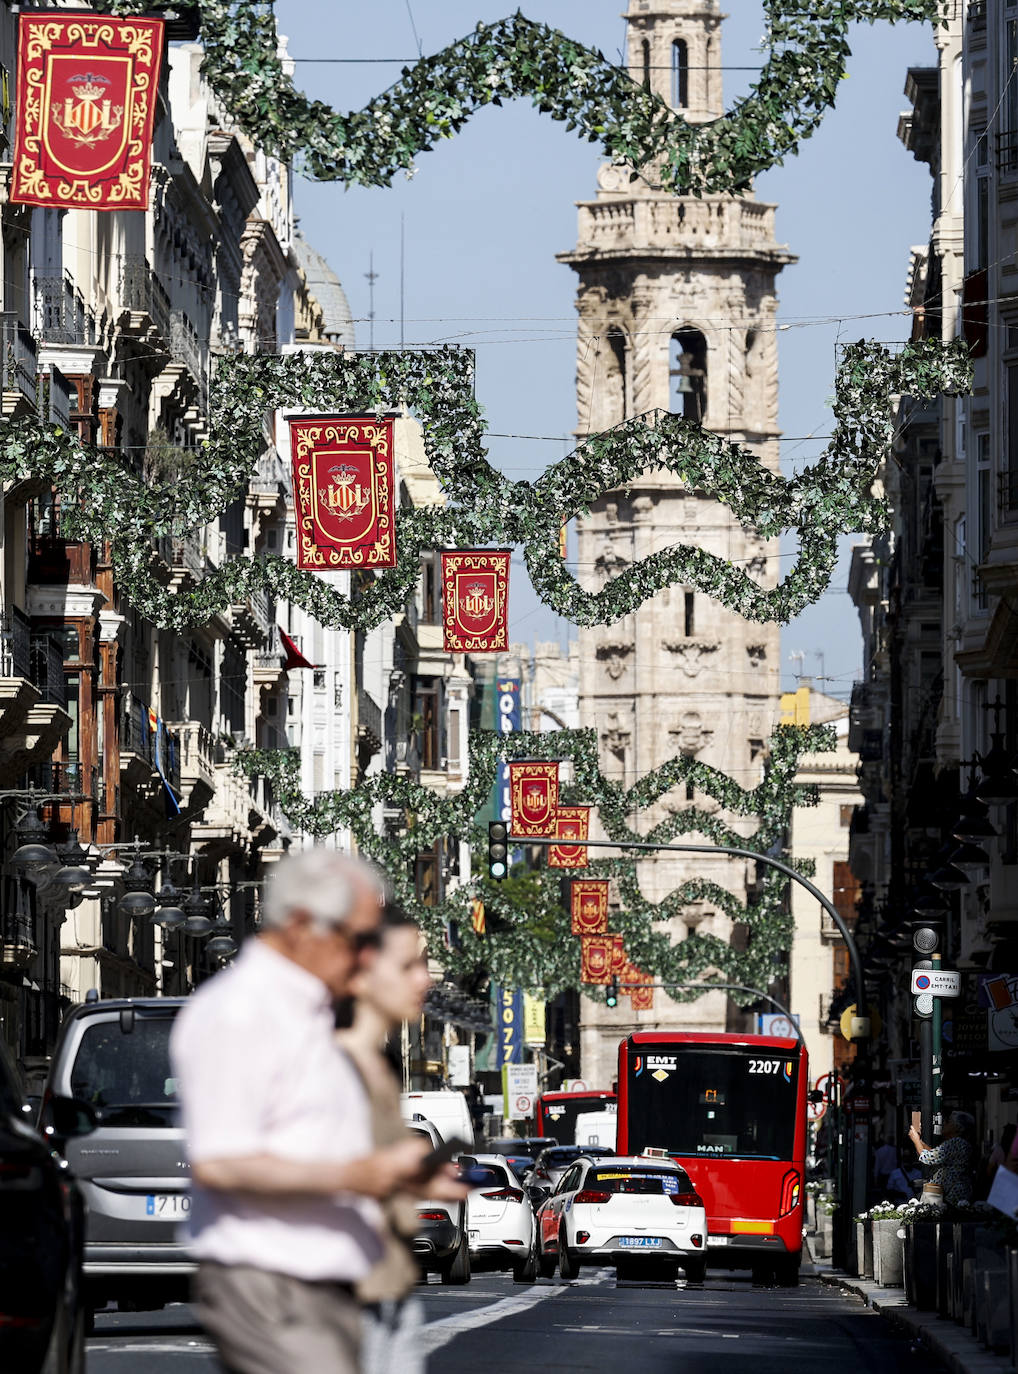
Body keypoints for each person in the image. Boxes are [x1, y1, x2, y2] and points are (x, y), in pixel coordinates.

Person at [171, 848, 466, 1374]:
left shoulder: (309, 1013)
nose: (363, 959)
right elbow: (221, 1162)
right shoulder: (242, 1012)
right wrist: (358, 1174)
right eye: (356, 940)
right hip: (273, 1282)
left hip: (328, 1281)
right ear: (303, 925)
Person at [338, 904, 433, 1374]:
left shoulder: (381, 1070)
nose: (425, 980)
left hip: (388, 1291)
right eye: (408, 966)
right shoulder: (323, 1067)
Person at [908, 1110, 976, 1208]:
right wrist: (920, 1141)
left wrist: (915, 1139)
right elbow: (934, 1154)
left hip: (952, 1195)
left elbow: (927, 1158)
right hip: (957, 1192)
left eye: (949, 1121)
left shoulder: (956, 1142)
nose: (944, 1123)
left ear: (957, 1127)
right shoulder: (960, 1143)